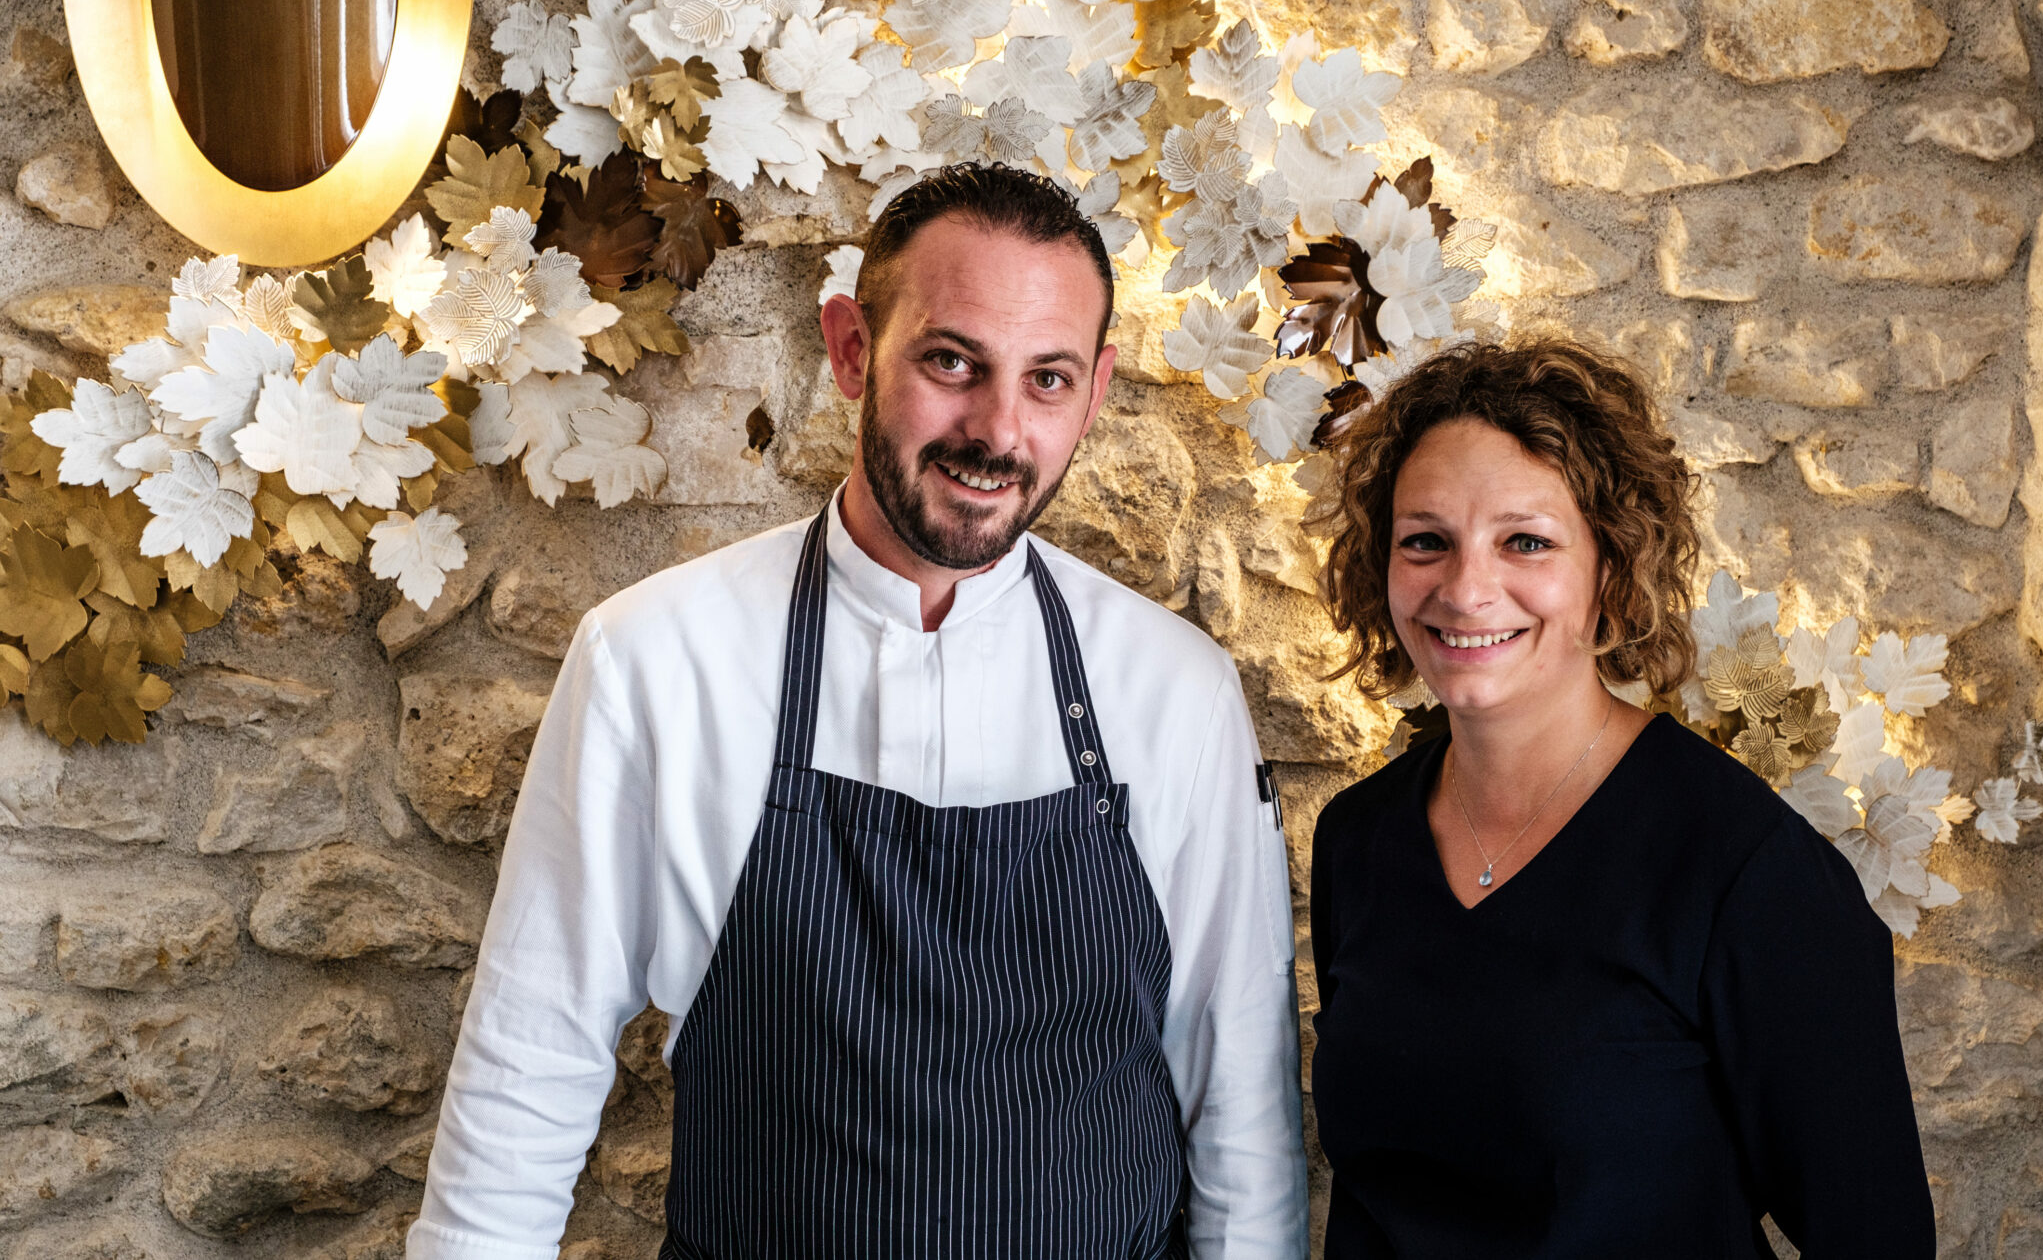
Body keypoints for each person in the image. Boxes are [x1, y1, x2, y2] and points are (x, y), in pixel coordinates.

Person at [408, 163, 1307, 1260]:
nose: (996, 430)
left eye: (1047, 380)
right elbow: (522, 1082)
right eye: (949, 361)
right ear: (848, 349)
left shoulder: (1175, 691)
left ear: (1096, 392)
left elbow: (1242, 1117)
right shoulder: (656, 659)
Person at [1307, 340, 1935, 1258]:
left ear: (1612, 565)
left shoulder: (1751, 875)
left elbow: (1873, 1240)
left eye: (1526, 541)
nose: (1466, 587)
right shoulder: (1357, 840)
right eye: (1425, 541)